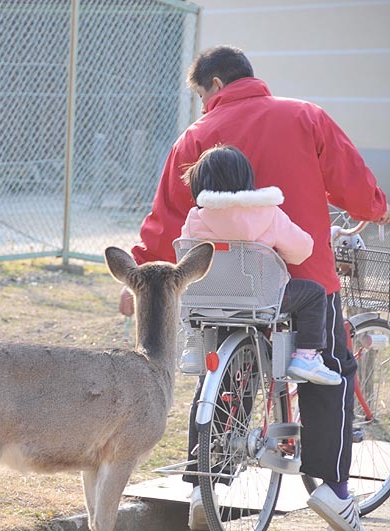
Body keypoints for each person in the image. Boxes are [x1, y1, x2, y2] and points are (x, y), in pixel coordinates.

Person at [119, 45, 390, 531]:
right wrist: (375, 207)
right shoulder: (305, 116)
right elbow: (353, 188)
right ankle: (332, 490)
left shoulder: (196, 136)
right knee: (330, 368)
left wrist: (138, 274)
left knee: (227, 369)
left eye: (202, 95)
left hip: (219, 287)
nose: (203, 106)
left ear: (216, 86)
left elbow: (165, 220)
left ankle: (210, 485)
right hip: (300, 279)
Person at [179, 144, 340, 385]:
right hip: (262, 300)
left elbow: (185, 253)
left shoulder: (195, 218)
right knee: (314, 294)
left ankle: (194, 345)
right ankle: (306, 357)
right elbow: (302, 250)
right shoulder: (267, 213)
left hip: (209, 302)